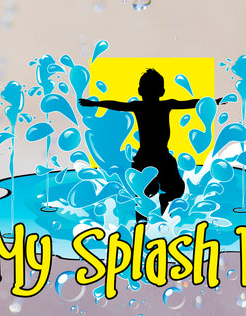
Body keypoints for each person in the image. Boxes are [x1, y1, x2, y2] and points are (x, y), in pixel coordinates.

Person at [79, 68, 199, 215]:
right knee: (162, 191)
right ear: (162, 91)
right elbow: (191, 103)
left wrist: (94, 104)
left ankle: (147, 216)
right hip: (157, 157)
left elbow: (117, 105)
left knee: (147, 194)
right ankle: (157, 208)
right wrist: (213, 103)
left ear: (140, 91)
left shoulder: (143, 106)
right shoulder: (162, 105)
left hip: (149, 158)